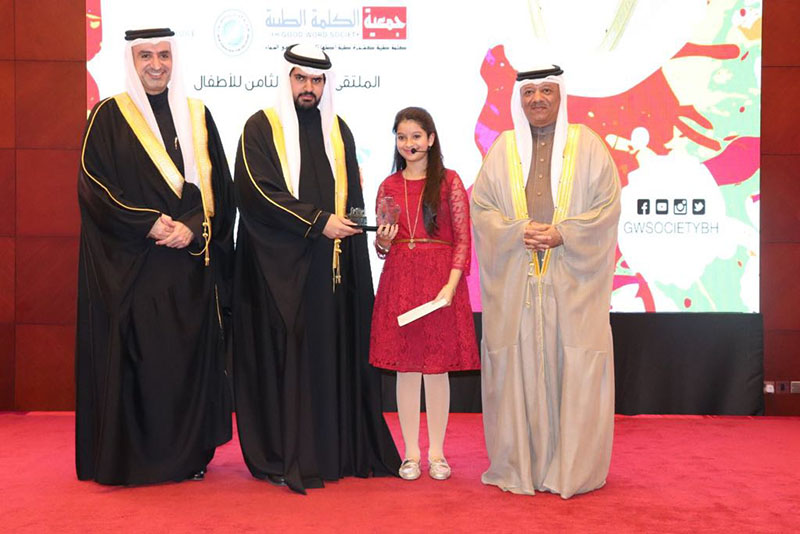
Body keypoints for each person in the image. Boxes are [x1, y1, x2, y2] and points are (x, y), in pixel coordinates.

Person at [233, 44, 401, 494]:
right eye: (301, 78)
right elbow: (255, 192)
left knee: (331, 359)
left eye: (317, 80)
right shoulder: (260, 128)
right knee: (288, 364)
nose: (309, 88)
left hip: (333, 273)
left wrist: (373, 231)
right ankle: (286, 456)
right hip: (280, 275)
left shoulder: (338, 131)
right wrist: (316, 221)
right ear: (286, 79)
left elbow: (353, 200)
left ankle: (334, 453)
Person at [76, 28, 235, 485]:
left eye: (164, 55)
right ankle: (137, 460)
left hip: (189, 270)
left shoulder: (198, 115)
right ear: (132, 61)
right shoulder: (108, 116)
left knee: (185, 365)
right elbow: (93, 186)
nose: (156, 64)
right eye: (146, 56)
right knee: (144, 365)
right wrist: (144, 222)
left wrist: (194, 228)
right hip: (136, 268)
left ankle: (188, 457)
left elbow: (221, 193)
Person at [471, 64, 621, 498]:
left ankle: (571, 469)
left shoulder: (588, 146)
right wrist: (516, 231)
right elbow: (482, 209)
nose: (537, 99)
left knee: (574, 370)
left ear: (561, 95)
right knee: (517, 372)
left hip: (572, 288)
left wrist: (564, 233)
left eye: (546, 91)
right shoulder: (502, 149)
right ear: (519, 98)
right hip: (518, 288)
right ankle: (521, 466)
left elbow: (606, 208)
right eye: (529, 92)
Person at [370, 107, 479, 481]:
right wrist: (383, 242)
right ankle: (410, 455)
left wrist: (451, 285)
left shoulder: (449, 182)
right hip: (400, 281)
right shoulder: (388, 185)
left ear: (431, 139)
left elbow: (463, 240)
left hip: (440, 284)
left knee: (436, 369)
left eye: (416, 136)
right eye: (402, 137)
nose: (409, 144)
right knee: (406, 368)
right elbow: (382, 246)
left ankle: (438, 454)